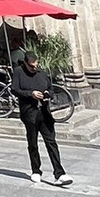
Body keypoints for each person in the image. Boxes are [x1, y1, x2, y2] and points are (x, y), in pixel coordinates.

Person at [11, 51, 71, 185]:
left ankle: (59, 173)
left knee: (51, 142)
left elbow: (51, 89)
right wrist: (30, 94)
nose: (34, 68)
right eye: (31, 66)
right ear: (25, 63)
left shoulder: (42, 74)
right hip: (29, 113)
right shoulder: (18, 72)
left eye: (36, 65)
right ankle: (36, 170)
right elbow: (14, 89)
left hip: (44, 113)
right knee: (33, 143)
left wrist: (46, 94)